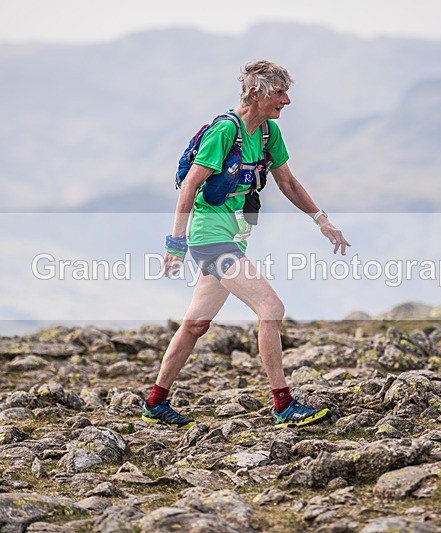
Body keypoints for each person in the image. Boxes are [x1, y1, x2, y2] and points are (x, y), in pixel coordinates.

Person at [142, 60, 351, 429]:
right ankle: (284, 405)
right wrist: (175, 243)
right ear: (255, 93)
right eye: (279, 93)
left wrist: (322, 219)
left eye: (287, 93)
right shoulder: (225, 130)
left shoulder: (269, 133)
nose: (286, 101)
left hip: (234, 238)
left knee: (195, 324)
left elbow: (288, 183)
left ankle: (155, 402)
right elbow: (191, 185)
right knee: (271, 308)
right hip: (210, 239)